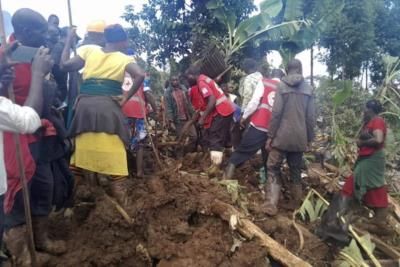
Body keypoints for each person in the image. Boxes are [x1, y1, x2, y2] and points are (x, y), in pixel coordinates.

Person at [60, 24, 145, 205]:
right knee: (116, 165)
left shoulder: (89, 50)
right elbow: (140, 75)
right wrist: (125, 98)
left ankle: (72, 207)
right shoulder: (124, 58)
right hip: (108, 109)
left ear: (106, 39)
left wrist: (68, 39)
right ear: (123, 41)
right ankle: (124, 202)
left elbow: (64, 65)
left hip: (84, 110)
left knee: (79, 161)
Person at [0, 35, 56, 267]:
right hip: (13, 133)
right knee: (16, 193)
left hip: (33, 133)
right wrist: (38, 75)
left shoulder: (9, 59)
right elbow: (27, 120)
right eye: (38, 31)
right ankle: (21, 256)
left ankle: (40, 241)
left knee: (44, 184)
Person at [317, 100, 388, 242]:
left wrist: (362, 143)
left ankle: (334, 227)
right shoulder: (369, 122)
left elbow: (378, 140)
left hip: (372, 159)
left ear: (371, 110)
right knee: (375, 186)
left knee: (351, 185)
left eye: (365, 109)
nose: (364, 112)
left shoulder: (377, 120)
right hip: (367, 158)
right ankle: (380, 219)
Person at [263, 59, 315, 216]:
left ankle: (271, 203)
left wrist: (270, 136)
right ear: (300, 69)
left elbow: (276, 113)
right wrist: (309, 138)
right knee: (295, 170)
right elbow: (311, 117)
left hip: (281, 137)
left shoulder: (281, 86)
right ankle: (296, 205)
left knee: (272, 167)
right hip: (300, 138)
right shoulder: (309, 89)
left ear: (286, 70)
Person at [223, 69, 279, 180]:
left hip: (260, 125)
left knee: (243, 150)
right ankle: (268, 186)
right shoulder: (284, 87)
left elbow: (254, 102)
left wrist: (244, 117)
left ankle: (226, 178)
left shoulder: (264, 82)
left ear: (271, 75)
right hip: (275, 130)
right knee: (268, 159)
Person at [185, 65, 234, 173]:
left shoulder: (201, 82)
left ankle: (215, 167)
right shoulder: (205, 78)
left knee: (215, 138)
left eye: (187, 77)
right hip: (226, 109)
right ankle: (224, 163)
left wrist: (202, 118)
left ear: (192, 76)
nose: (187, 80)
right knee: (222, 138)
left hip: (222, 110)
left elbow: (212, 100)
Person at [122, 65, 157, 177]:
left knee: (122, 141)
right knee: (140, 143)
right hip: (139, 114)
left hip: (123, 113)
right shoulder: (142, 76)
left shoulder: (120, 76)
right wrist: (155, 110)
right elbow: (148, 95)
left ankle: (123, 171)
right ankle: (139, 172)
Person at [164, 75, 197, 153]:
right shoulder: (168, 93)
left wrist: (193, 113)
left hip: (187, 118)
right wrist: (171, 121)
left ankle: (188, 153)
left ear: (179, 80)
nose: (175, 81)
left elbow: (189, 102)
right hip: (177, 120)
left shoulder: (183, 89)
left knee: (194, 137)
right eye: (173, 80)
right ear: (170, 81)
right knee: (180, 139)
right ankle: (179, 156)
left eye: (176, 80)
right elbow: (168, 108)